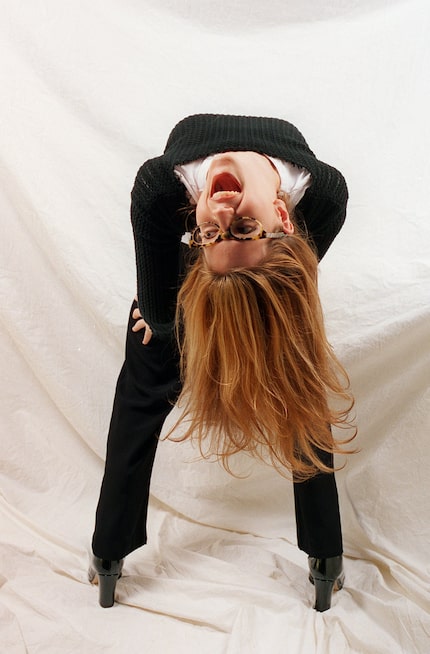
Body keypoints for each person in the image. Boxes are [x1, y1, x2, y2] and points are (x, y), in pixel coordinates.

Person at [89, 114, 354, 612]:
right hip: (196, 262)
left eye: (239, 225)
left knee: (296, 383)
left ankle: (325, 554)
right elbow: (165, 306)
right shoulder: (322, 191)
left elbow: (289, 275)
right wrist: (166, 321)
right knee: (152, 359)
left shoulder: (164, 187)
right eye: (242, 225)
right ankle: (110, 551)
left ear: (285, 216)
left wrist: (226, 247)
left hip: (225, 256)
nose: (226, 210)